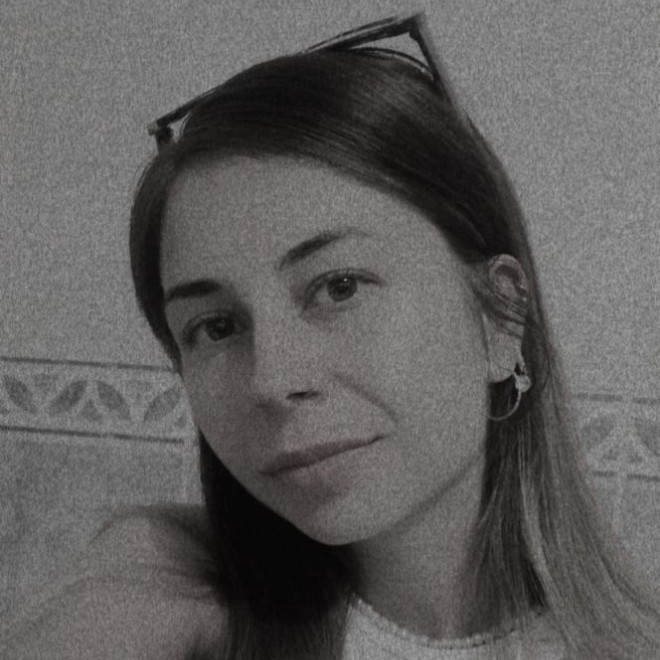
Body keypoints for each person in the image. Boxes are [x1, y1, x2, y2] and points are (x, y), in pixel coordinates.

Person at [3, 11, 660, 660]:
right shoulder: (159, 598)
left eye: (339, 287)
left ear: (500, 317)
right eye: (217, 326)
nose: (271, 380)